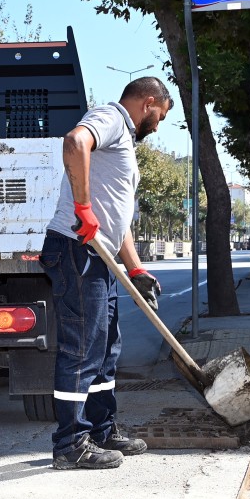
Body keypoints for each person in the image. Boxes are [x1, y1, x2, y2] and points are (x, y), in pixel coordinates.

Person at [40, 77, 172, 470]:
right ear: (149, 103)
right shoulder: (111, 117)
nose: (158, 125)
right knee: (81, 348)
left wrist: (136, 268)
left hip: (99, 255)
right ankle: (70, 444)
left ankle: (101, 429)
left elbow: (117, 216)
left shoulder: (125, 141)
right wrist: (83, 209)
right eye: (160, 117)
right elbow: (75, 142)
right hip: (76, 248)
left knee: (105, 348)